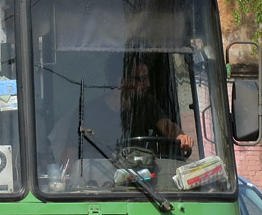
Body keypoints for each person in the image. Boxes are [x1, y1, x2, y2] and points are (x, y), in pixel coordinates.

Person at [47, 56, 192, 185]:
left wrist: (180, 137)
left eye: (147, 78)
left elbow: (167, 126)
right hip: (99, 181)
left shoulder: (147, 104)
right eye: (141, 79)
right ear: (122, 82)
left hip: (140, 180)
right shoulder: (88, 112)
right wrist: (64, 178)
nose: (147, 84)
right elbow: (71, 151)